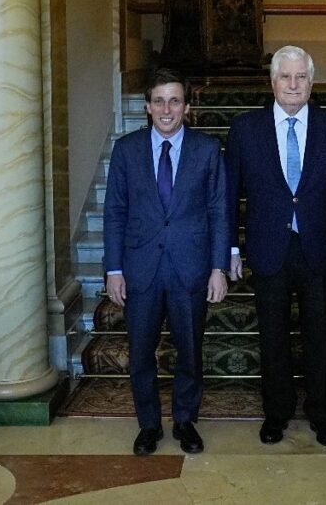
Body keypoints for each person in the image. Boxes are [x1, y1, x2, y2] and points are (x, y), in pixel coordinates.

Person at [226, 45, 326, 447]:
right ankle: (276, 413)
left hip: (318, 248)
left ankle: (322, 414)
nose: (294, 84)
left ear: (312, 83)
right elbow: (229, 195)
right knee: (272, 337)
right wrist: (231, 249)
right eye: (286, 76)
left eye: (301, 77)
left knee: (321, 336)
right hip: (268, 248)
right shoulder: (246, 128)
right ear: (272, 82)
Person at [103, 67, 230, 456]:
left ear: (187, 107)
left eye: (175, 100)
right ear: (147, 107)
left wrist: (218, 268)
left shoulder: (207, 150)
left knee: (190, 351)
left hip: (189, 268)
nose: (167, 108)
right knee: (140, 353)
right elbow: (114, 213)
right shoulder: (126, 150)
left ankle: (186, 420)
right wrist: (113, 269)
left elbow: (219, 211)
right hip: (140, 270)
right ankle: (148, 425)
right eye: (159, 101)